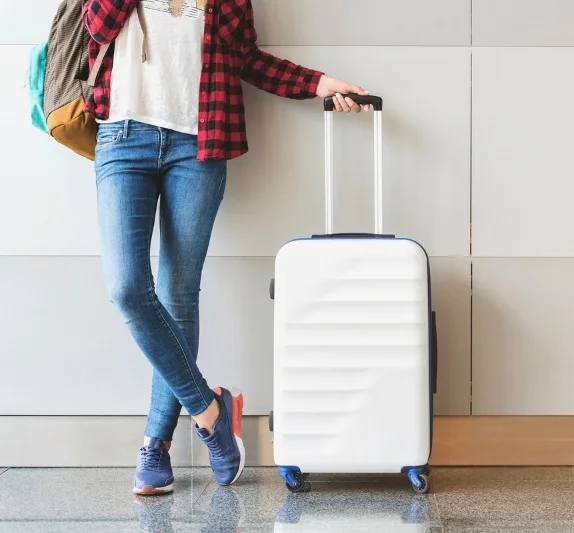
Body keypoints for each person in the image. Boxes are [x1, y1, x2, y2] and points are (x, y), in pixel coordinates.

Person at [82, 0, 369, 495]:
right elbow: (97, 24)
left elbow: (247, 59)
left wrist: (316, 83)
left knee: (178, 295)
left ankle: (156, 443)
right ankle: (209, 410)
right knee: (127, 288)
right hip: (123, 137)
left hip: (199, 145)